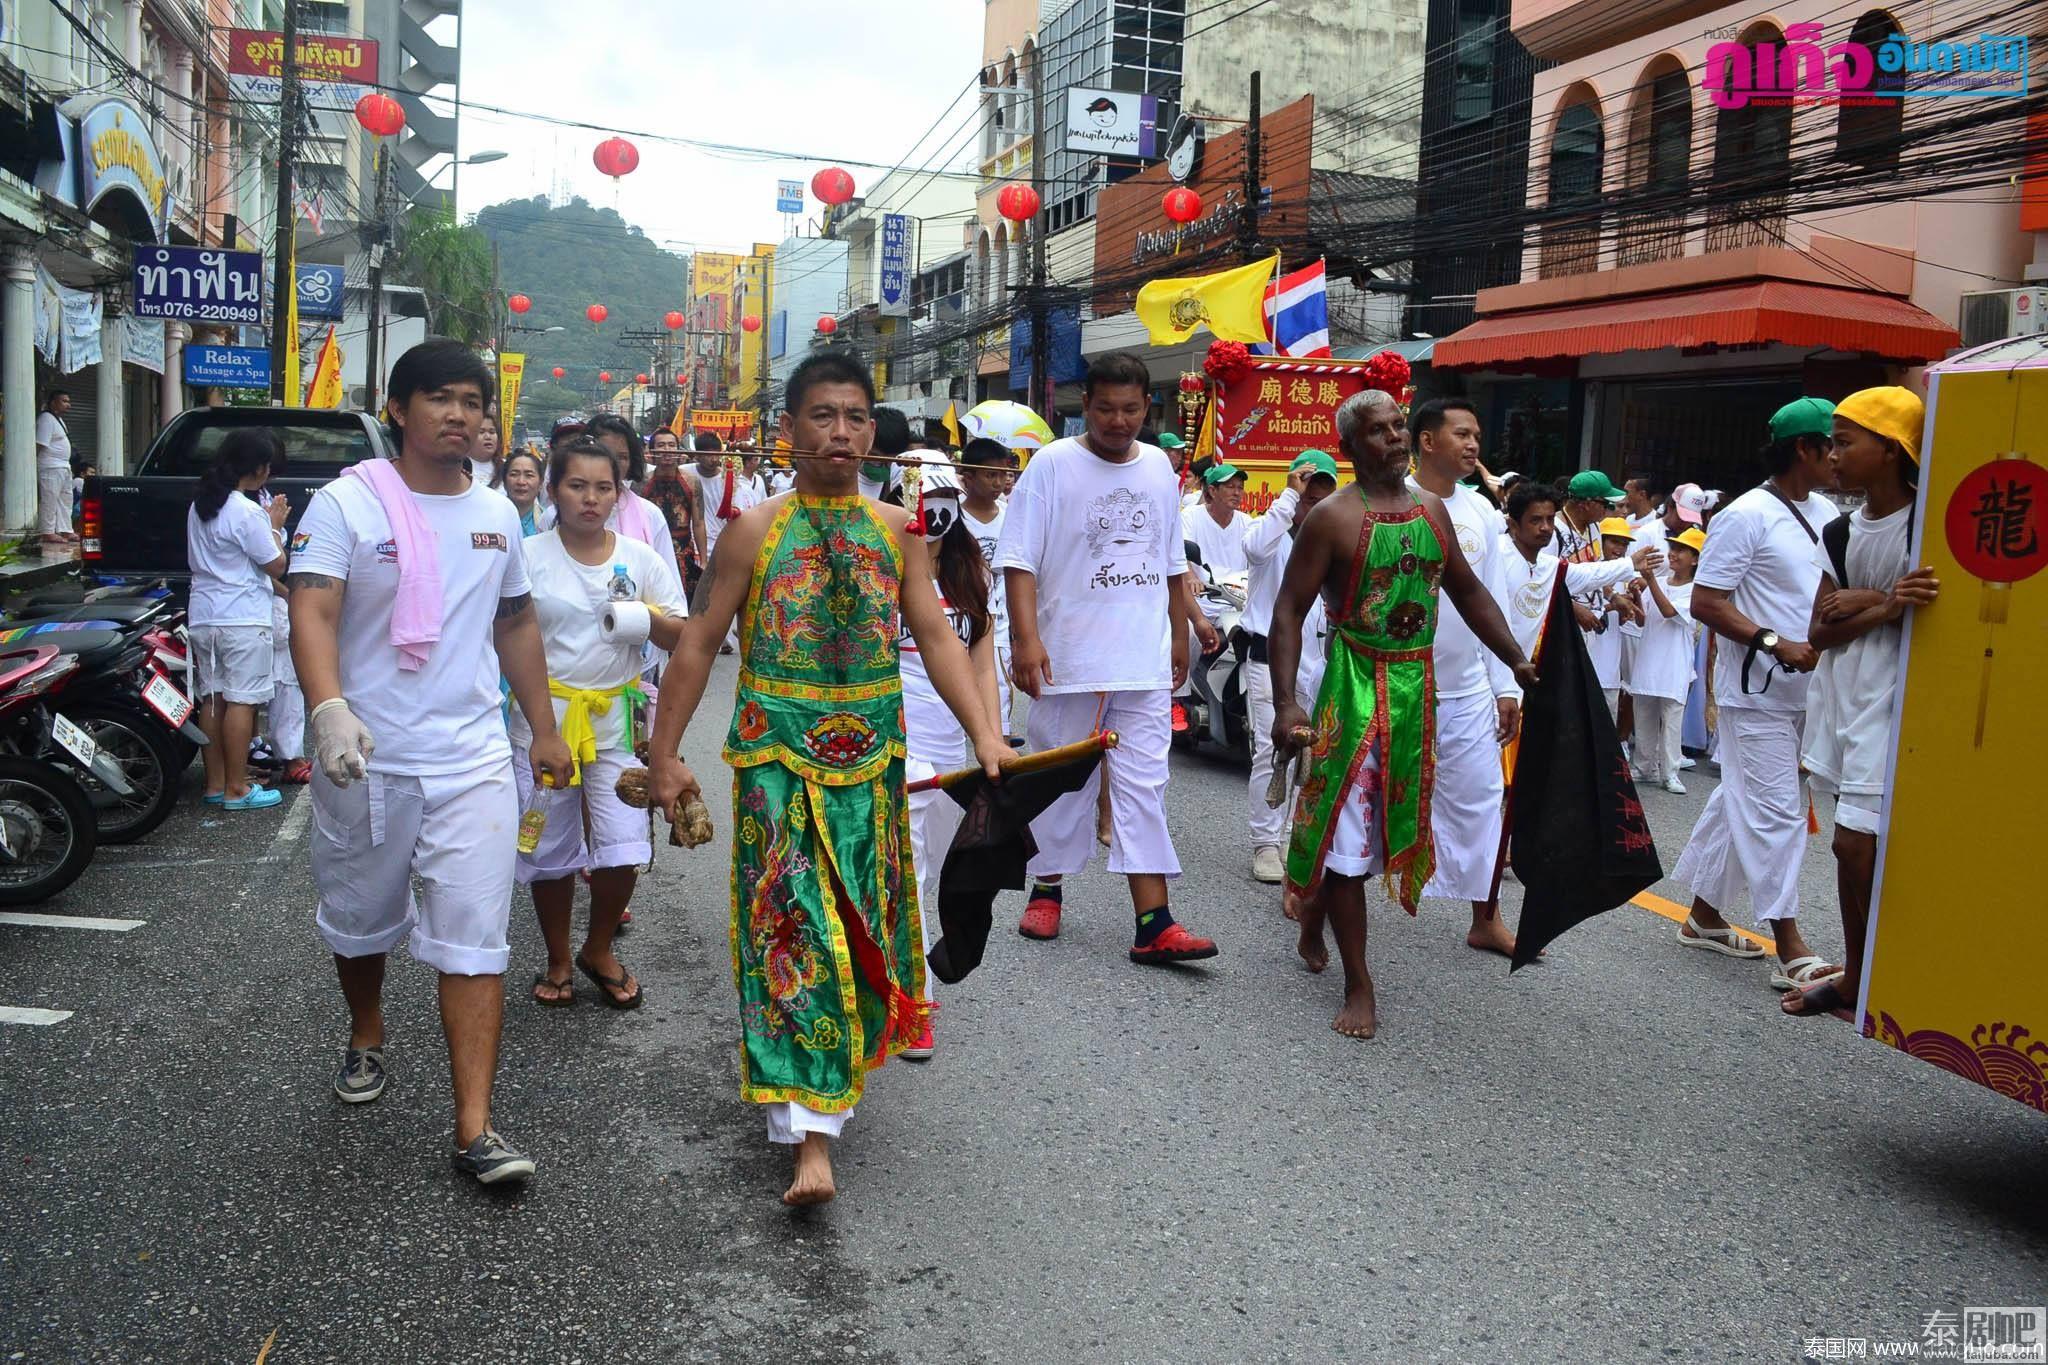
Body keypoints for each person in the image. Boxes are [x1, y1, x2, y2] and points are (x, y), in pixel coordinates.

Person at [644, 351, 1013, 1206]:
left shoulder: (898, 533)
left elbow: (938, 634)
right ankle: (812, 1135)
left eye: (854, 416)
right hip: (778, 764)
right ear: (790, 429)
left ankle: (826, 1096)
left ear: (869, 429)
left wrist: (985, 734)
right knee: (794, 928)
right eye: (822, 416)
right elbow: (698, 642)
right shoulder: (753, 530)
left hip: (872, 763)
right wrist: (664, 754)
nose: (840, 432)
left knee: (860, 929)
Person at [287, 338, 575, 1186]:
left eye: (473, 402)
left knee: (476, 939)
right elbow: (313, 605)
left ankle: (475, 1128)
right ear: (399, 409)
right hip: (366, 758)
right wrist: (330, 708)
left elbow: (514, 620)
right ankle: (367, 1030)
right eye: (441, 398)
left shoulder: (495, 514)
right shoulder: (347, 505)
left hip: (473, 759)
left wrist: (544, 727)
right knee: (360, 913)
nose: (460, 415)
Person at [1268, 391, 1536, 1038]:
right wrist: (1287, 701)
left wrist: (1517, 662)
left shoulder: (1434, 512)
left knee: (1376, 836)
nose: (1392, 438)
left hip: (1420, 692)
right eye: (1378, 431)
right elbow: (1286, 613)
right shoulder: (1329, 518)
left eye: (1397, 426)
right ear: (1352, 447)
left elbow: (1470, 595)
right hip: (1351, 689)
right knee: (1348, 835)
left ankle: (1313, 912)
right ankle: (1360, 983)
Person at [997, 350, 1220, 965]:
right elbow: (1019, 559)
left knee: (1144, 785)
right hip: (1066, 657)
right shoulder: (1051, 466)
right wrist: (1024, 640)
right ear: (1084, 409)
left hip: (1142, 658)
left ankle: (1154, 922)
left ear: (1147, 407)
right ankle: (1046, 889)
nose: (1118, 421)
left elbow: (1171, 559)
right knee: (1059, 780)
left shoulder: (1157, 467)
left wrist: (1181, 631)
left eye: (1129, 409)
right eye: (1104, 409)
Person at [1668, 394, 1840, 994]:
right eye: (1833, 446)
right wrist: (1772, 640)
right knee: (1775, 813)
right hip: (1755, 692)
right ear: (1804, 449)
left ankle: (1704, 917)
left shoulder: (1826, 512)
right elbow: (1706, 601)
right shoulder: (1747, 515)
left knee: (1739, 799)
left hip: (1807, 693)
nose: (1840, 458)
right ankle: (1792, 943)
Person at [517, 438, 688, 1009]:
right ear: (553, 490)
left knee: (622, 843)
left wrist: (644, 619)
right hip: (544, 718)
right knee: (551, 845)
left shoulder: (640, 559)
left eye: (603, 487)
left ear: (619, 493)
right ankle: (558, 957)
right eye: (576, 486)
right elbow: (505, 635)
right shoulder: (529, 555)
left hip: (616, 717)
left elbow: (684, 635)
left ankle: (598, 948)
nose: (590, 499)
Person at [1788, 387, 1937, 1018]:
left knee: (1856, 844)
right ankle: (1858, 977)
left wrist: (1867, 604)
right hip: (1845, 695)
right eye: (1831, 442)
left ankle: (1880, 971)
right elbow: (1820, 632)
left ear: (1893, 448)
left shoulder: (1929, 521)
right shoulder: (1841, 529)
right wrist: (1885, 605)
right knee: (1849, 848)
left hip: (1899, 699)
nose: (1833, 455)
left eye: (1846, 442)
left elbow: (1930, 610)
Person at [1405, 398, 1524, 956]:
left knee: (1480, 799)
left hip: (1466, 688)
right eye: (1461, 434)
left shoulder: (1481, 512)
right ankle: (1311, 889)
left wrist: (1506, 684)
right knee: (1362, 798)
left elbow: (1492, 601)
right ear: (1427, 441)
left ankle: (1486, 915)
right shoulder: (1391, 501)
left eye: (1477, 434)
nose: (1473, 444)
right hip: (1396, 682)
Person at [897, 461, 1002, 1059]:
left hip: (951, 745)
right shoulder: (882, 569)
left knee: (930, 871)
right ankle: (916, 1003)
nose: (933, 510)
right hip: (897, 741)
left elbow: (981, 662)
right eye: (921, 496)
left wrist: (991, 734)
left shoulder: (969, 570)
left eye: (944, 497)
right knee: (908, 873)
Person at [1241, 449, 1340, 884]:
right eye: (1307, 494)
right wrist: (1287, 498)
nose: (1312, 505)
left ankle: (1287, 838)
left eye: (1322, 498)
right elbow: (1253, 548)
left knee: (1310, 753)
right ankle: (1264, 841)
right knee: (1272, 747)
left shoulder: (1333, 538)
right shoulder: (1273, 531)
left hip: (1316, 661)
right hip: (1267, 655)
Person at [188, 428, 291, 810]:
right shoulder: (247, 511)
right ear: (260, 469)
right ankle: (238, 788)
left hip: (204, 614)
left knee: (213, 699)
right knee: (243, 703)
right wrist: (275, 526)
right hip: (243, 617)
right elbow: (276, 564)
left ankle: (216, 784)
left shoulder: (202, 506)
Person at [1496, 481, 1654, 660]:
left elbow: (1589, 574)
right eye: (1535, 520)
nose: (1546, 527)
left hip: (1531, 661)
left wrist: (1630, 564)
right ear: (1514, 524)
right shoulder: (1496, 556)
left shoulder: (1549, 565)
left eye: (1549, 519)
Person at [1631, 527, 1702, 792]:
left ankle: (1670, 772)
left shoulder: (1696, 590)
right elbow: (1642, 619)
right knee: (1644, 715)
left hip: (1674, 663)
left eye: (1681, 551)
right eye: (1673, 549)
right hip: (1649, 658)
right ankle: (1644, 767)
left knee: (1671, 720)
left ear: (1695, 559)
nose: (1673, 554)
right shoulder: (1658, 583)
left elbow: (1669, 611)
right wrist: (1636, 596)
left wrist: (1649, 581)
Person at [958, 436, 1021, 732]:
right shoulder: (952, 516)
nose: (999, 483)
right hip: (960, 618)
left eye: (1003, 475)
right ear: (967, 477)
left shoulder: (1013, 517)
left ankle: (1000, 741)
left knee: (998, 686)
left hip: (1000, 622)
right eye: (990, 475)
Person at [642, 427, 699, 587]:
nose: (667, 450)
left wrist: (703, 558)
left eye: (671, 445)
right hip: (651, 546)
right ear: (652, 451)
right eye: (661, 445)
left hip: (683, 549)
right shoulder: (641, 483)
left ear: (678, 450)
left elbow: (699, 523)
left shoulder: (692, 481)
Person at [36, 389, 74, 552]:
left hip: (64, 466)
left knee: (66, 499)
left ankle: (66, 529)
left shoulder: (59, 420)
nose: (68, 405)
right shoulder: (46, 419)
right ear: (53, 402)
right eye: (64, 401)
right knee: (50, 499)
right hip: (50, 466)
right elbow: (39, 444)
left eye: (68, 401)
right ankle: (48, 532)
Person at [862, 408, 910, 504]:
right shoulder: (842, 481)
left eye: (890, 461)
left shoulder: (898, 487)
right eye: (875, 457)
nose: (882, 467)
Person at [494, 450, 546, 536]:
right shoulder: (489, 517)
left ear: (540, 483)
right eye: (514, 474)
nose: (521, 482)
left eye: (529, 475)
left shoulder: (549, 520)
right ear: (504, 482)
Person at [469, 414, 503, 488]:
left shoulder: (506, 467)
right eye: (481, 432)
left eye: (492, 432)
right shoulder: (457, 468)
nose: (488, 437)